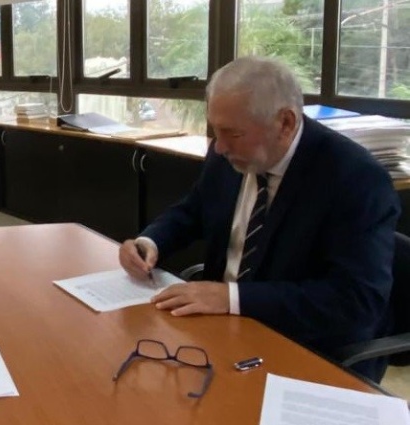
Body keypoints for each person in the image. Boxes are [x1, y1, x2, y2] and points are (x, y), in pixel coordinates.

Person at [118, 56, 400, 383]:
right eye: (215, 131)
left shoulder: (355, 179)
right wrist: (150, 242)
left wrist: (231, 298)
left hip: (304, 351)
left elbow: (356, 301)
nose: (219, 146)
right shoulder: (229, 152)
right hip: (218, 335)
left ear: (285, 123)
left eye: (232, 134)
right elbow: (194, 209)